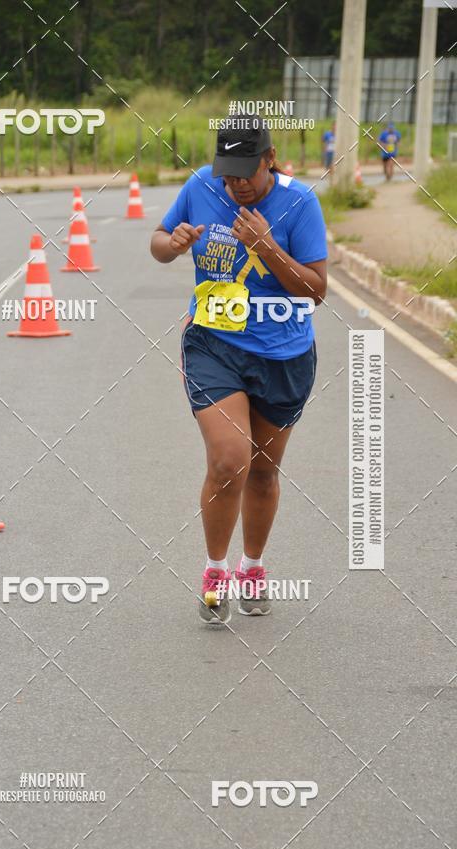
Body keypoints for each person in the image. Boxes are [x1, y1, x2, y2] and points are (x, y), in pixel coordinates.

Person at [150, 117, 327, 625]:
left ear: (270, 158)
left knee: (265, 472)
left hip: (284, 353)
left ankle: (252, 567)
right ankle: (214, 570)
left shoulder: (300, 203)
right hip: (215, 345)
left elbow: (316, 291)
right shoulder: (200, 186)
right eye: (228, 175)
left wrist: (268, 246)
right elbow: (159, 244)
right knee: (231, 460)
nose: (236, 185)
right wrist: (175, 242)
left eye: (246, 173)